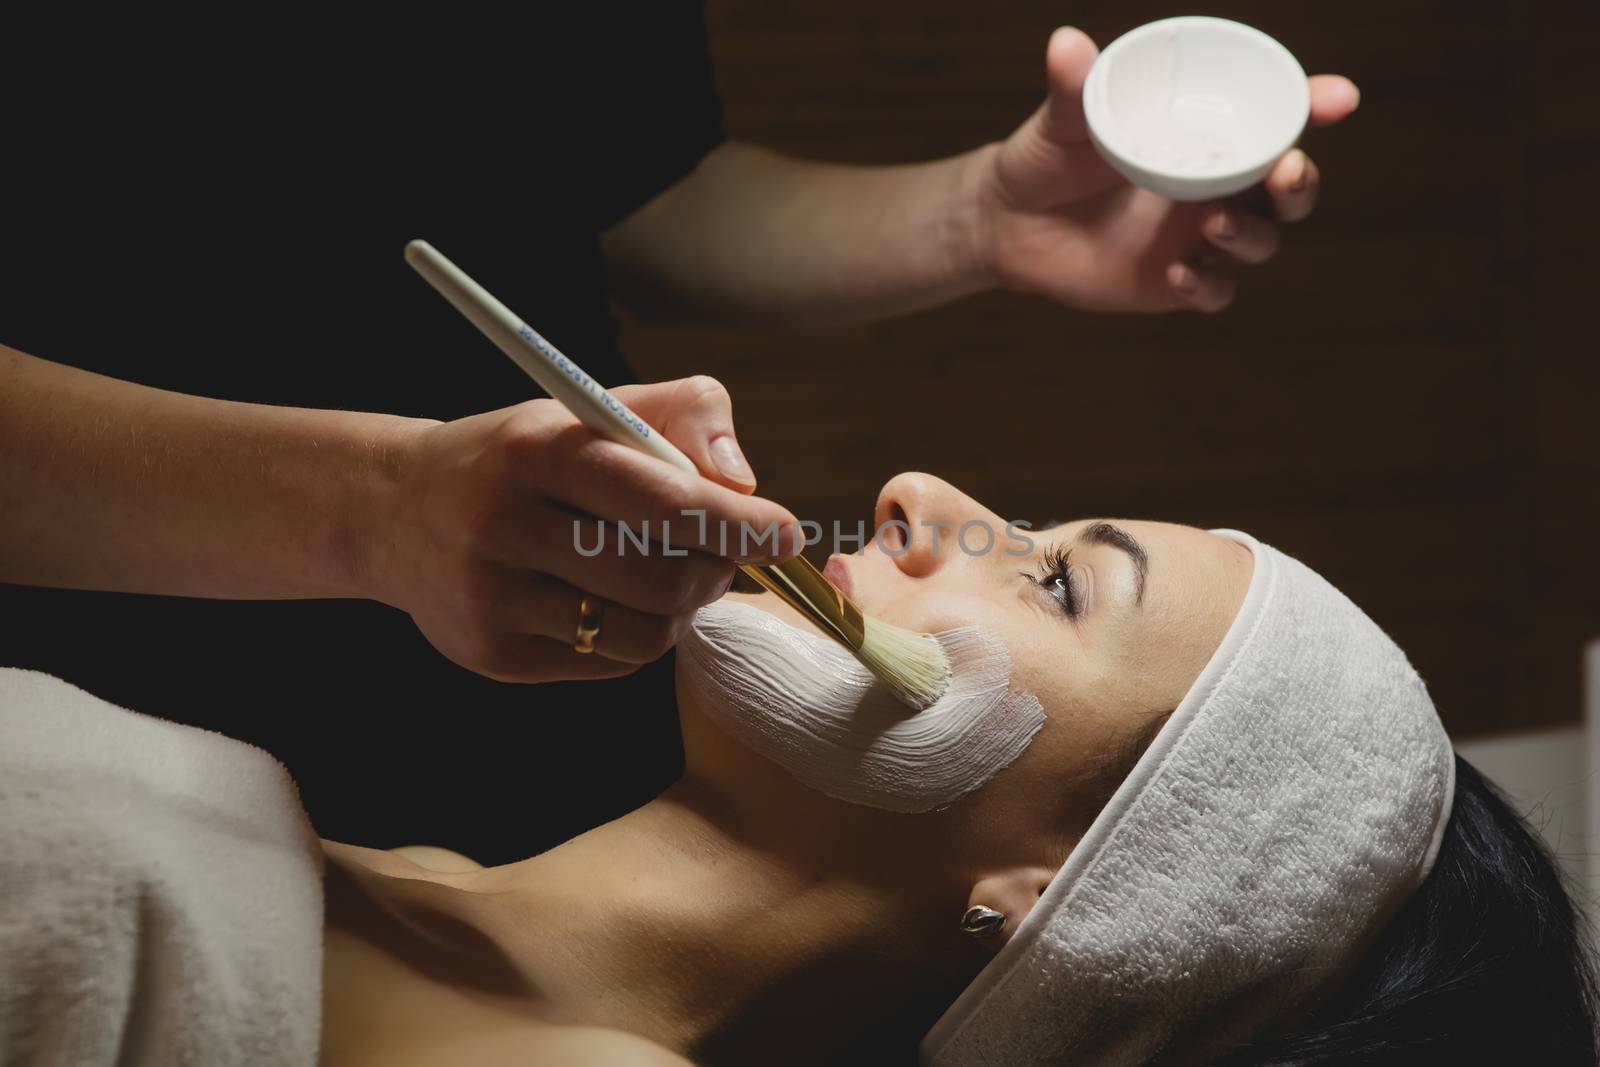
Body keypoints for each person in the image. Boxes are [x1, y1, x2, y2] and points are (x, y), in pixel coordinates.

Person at [0, 7, 1360, 862]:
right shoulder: (120, 833)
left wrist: (976, 220)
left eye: (1056, 576)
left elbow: (613, 182)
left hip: (529, 695)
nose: (907, 491)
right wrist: (365, 511)